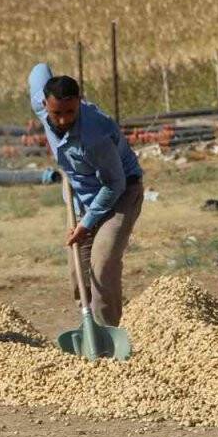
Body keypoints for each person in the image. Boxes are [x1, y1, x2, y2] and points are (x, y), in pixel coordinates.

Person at [28, 63, 143, 326]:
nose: (64, 120)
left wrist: (87, 223)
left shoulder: (95, 135)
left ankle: (107, 332)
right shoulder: (41, 105)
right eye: (57, 113)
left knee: (101, 265)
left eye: (71, 112)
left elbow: (115, 184)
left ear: (79, 102)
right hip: (83, 196)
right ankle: (88, 324)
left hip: (121, 195)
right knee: (77, 271)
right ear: (45, 103)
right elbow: (38, 71)